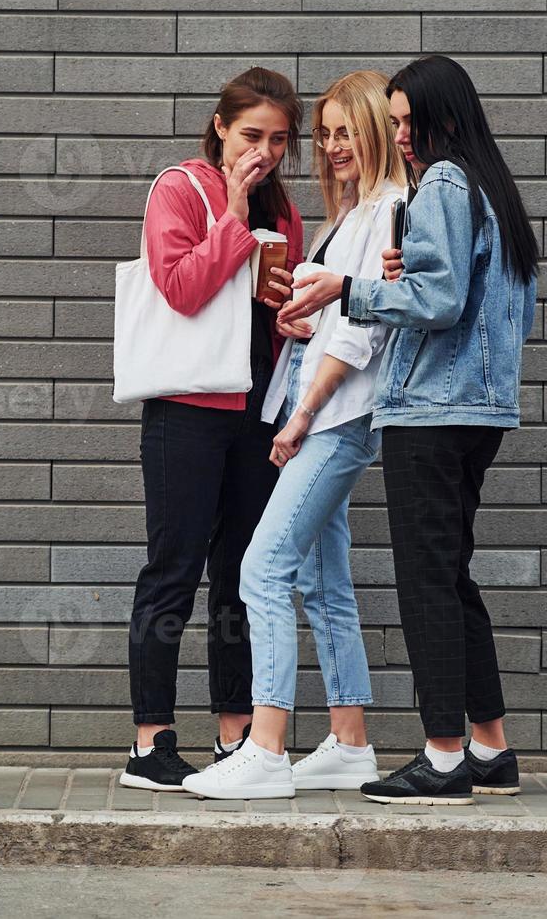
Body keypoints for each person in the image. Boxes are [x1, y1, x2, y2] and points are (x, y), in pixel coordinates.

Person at [280, 55, 539, 806]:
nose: (398, 137)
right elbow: (472, 296)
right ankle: (490, 749)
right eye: (391, 123)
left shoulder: (447, 182)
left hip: (430, 409)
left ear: (443, 120)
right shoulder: (491, 189)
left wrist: (349, 288)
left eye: (405, 122)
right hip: (478, 410)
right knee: (452, 577)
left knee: (427, 583)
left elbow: (441, 300)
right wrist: (403, 280)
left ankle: (444, 756)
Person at [182, 71, 407, 799]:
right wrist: (298, 324)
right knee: (322, 579)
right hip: (322, 412)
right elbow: (340, 321)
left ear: (377, 129)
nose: (335, 146)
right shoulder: (356, 213)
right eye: (328, 133)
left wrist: (302, 416)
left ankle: (267, 746)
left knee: (262, 568)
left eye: (349, 130)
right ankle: (348, 740)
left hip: (335, 421)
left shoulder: (389, 209)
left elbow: (366, 337)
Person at [122, 67, 307, 791]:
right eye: (252, 134)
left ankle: (237, 735)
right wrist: (231, 211)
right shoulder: (182, 188)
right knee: (173, 570)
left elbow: (272, 309)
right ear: (221, 127)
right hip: (187, 411)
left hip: (257, 412)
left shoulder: (284, 210)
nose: (263, 151)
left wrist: (295, 313)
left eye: (278, 140)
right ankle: (150, 742)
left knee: (241, 575)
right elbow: (183, 288)